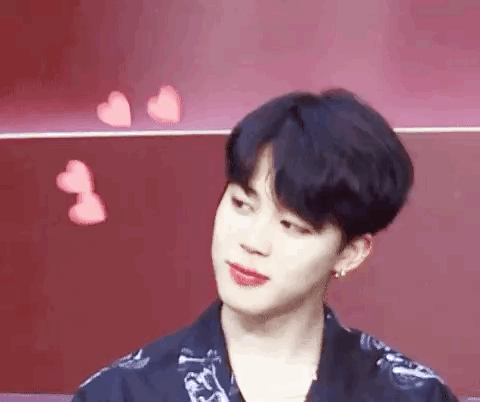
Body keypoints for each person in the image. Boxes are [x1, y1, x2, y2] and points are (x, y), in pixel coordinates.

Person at [71, 88, 458, 401]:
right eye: (242, 204)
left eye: (291, 226)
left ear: (349, 253)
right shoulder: (120, 394)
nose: (252, 242)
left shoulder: (411, 395)